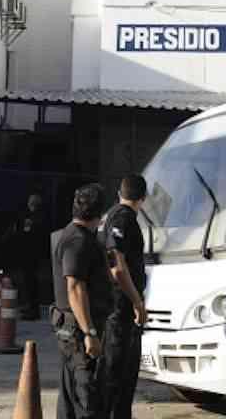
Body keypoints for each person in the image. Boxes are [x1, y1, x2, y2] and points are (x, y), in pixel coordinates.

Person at [51, 183, 112, 419]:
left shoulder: (73, 235)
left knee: (70, 395)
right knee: (86, 395)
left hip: (73, 327)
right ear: (100, 213)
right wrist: (90, 333)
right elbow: (75, 288)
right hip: (78, 330)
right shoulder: (78, 241)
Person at [99, 175, 149, 419]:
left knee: (116, 374)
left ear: (119, 193)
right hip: (121, 308)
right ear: (144, 198)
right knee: (120, 375)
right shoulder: (124, 218)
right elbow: (117, 266)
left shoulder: (110, 216)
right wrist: (137, 302)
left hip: (114, 306)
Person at [12, 192, 47, 320]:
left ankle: (33, 310)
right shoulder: (24, 214)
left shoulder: (40, 216)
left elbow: (40, 233)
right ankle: (28, 305)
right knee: (26, 280)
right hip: (24, 251)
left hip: (34, 253)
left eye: (34, 201)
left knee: (31, 281)